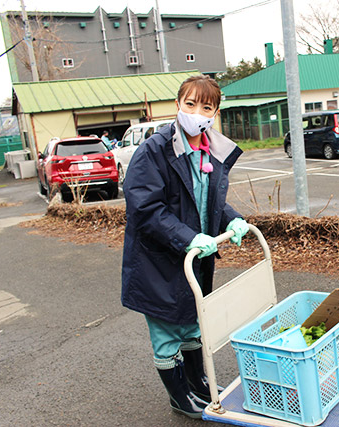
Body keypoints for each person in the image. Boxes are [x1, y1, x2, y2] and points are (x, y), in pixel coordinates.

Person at [121, 75, 249, 419]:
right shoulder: (155, 150)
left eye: (206, 106)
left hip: (194, 260)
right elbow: (146, 209)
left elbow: (210, 203)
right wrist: (188, 238)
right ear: (177, 105)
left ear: (215, 111)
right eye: (190, 104)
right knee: (166, 329)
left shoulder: (211, 149)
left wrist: (232, 220)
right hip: (157, 261)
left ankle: (199, 383)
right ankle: (180, 397)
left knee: (193, 321)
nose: (197, 112)